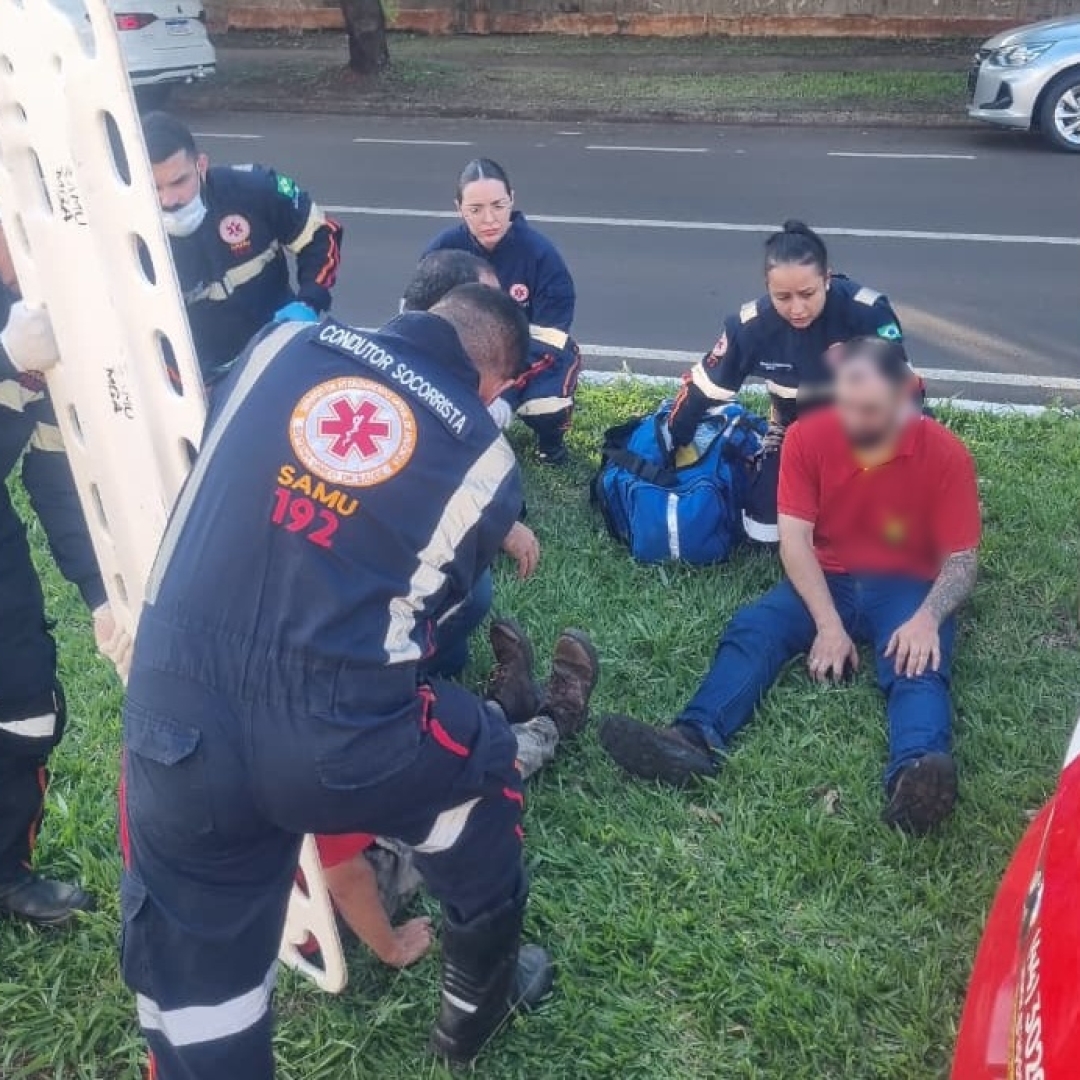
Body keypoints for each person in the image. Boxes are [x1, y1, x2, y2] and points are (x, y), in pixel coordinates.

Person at [119, 284, 600, 1078]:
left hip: (173, 710)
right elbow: (424, 626)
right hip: (332, 737)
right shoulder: (482, 454)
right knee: (480, 762)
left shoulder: (278, 345)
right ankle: (480, 997)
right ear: (497, 383)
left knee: (200, 991)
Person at [600, 338, 980, 836]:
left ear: (905, 396)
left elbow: (962, 558)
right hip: (830, 576)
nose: (853, 421)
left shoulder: (945, 452)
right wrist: (827, 625)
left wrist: (928, 619)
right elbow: (795, 541)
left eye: (868, 409)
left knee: (919, 665)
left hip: (907, 584)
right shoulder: (808, 437)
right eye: (844, 404)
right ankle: (691, 739)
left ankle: (916, 778)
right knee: (755, 628)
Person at [0, 227, 130, 925]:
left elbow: (53, 474)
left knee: (25, 709)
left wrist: (99, 592)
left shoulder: (38, 315)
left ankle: (4, 873)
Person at [667, 220, 910, 544]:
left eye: (807, 293)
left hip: (866, 426)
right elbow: (702, 388)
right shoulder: (750, 327)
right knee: (763, 532)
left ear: (827, 278)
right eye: (782, 296)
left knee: (888, 525)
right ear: (766, 287)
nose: (797, 308)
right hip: (796, 429)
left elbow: (905, 393)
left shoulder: (867, 313)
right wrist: (672, 443)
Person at [140, 112, 343, 388]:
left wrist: (309, 301)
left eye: (179, 182)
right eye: (155, 188)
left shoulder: (254, 190)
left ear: (201, 165)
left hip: (276, 350)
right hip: (196, 380)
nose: (169, 199)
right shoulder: (130, 236)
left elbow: (320, 234)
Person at [424, 160, 580, 464]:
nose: (489, 219)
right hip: (464, 358)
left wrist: (503, 393)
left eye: (498, 205)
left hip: (528, 358)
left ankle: (551, 444)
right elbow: (418, 317)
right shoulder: (441, 251)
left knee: (546, 404)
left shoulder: (540, 255)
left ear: (512, 199)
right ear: (459, 208)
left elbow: (550, 339)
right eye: (475, 209)